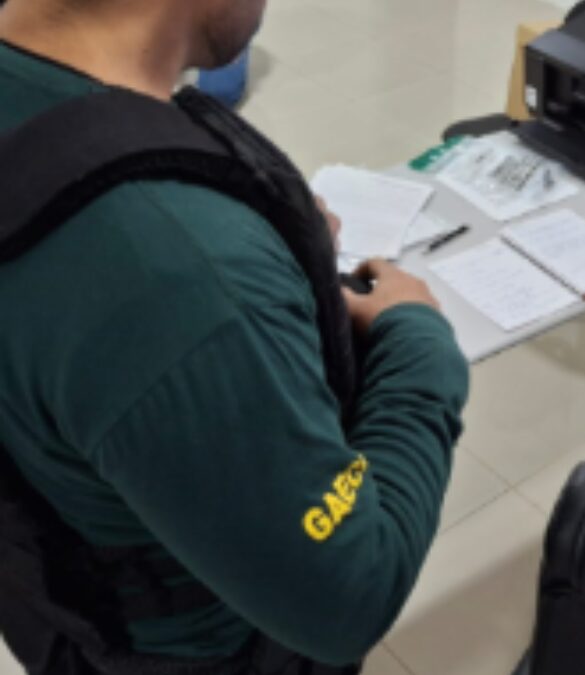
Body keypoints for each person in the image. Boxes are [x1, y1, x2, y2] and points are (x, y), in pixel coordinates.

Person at [0, 0, 468, 672]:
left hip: (59, 593)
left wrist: (249, 234)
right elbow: (348, 598)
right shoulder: (179, 276)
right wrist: (419, 340)